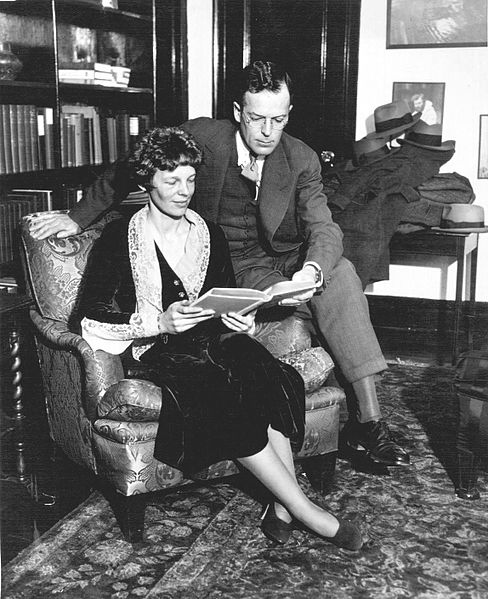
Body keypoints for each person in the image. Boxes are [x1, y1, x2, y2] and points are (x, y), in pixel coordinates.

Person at [30, 60, 410, 477]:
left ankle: (369, 421)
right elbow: (131, 166)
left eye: (278, 120)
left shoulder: (301, 158)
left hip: (284, 259)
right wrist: (78, 217)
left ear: (289, 114)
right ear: (237, 112)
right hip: (230, 263)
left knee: (341, 274)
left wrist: (311, 271)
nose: (267, 131)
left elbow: (324, 226)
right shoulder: (204, 137)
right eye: (257, 118)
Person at [77, 126, 363, 550]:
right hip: (161, 350)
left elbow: (223, 297)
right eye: (172, 181)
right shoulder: (119, 238)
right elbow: (90, 315)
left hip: (214, 339)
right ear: (146, 181)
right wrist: (159, 322)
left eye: (191, 179)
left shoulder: (209, 232)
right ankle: (307, 511)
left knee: (264, 369)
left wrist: (242, 322)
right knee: (221, 392)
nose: (184, 191)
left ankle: (283, 505)